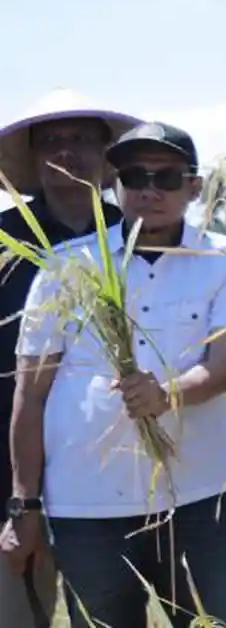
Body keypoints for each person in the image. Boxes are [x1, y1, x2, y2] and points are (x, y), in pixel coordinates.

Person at [5, 121, 226, 628]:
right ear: (114, 183)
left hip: (196, 500)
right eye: (134, 177)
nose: (149, 191)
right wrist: (24, 504)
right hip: (86, 508)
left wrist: (168, 393)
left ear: (194, 187)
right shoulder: (65, 267)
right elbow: (30, 395)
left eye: (167, 178)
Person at [0, 93, 139, 628]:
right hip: (11, 472)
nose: (67, 152)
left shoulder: (136, 237)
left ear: (106, 154)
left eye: (81, 139)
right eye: (53, 141)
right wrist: (20, 499)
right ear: (34, 158)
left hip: (112, 473)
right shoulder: (5, 242)